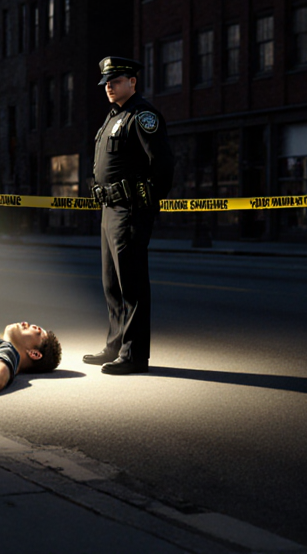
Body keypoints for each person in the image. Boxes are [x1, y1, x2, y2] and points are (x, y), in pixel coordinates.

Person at [83, 56, 173, 375]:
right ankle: (115, 346)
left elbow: (162, 164)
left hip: (131, 209)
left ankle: (134, 355)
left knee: (131, 283)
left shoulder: (143, 115)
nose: (109, 86)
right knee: (112, 283)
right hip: (109, 210)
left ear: (132, 82)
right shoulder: (113, 117)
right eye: (106, 82)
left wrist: (147, 202)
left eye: (116, 81)